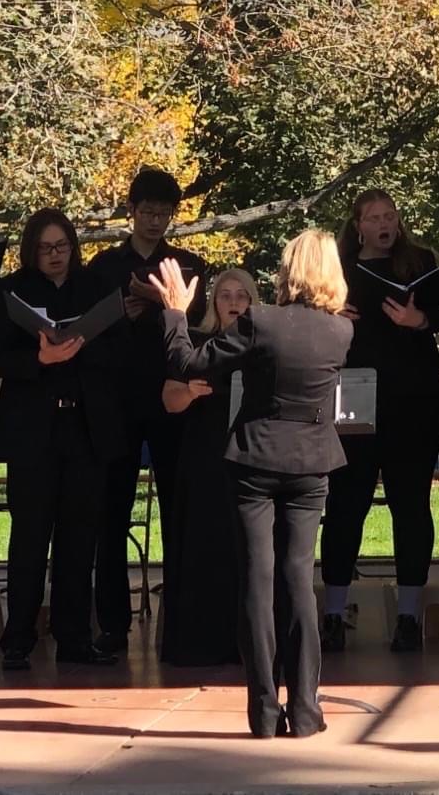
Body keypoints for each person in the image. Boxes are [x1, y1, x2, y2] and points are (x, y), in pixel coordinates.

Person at [143, 230, 355, 738]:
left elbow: (187, 363)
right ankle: (305, 710)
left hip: (256, 463)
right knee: (299, 580)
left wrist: (175, 311)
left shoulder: (262, 322)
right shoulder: (340, 332)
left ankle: (263, 711)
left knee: (257, 582)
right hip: (310, 463)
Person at [0, 209, 128, 670]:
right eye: (46, 248)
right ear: (32, 250)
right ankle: (18, 639)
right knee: (29, 536)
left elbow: (118, 346)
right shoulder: (11, 291)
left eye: (62, 246)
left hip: (85, 429)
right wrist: (42, 359)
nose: (54, 256)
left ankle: (74, 638)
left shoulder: (95, 287)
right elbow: (0, 359)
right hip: (33, 431)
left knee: (79, 538)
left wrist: (81, 346)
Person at [320, 188, 439, 654]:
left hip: (413, 401)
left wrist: (419, 319)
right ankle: (333, 612)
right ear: (358, 226)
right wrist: (331, 312)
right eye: (374, 217)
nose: (384, 224)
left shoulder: (420, 261)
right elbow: (310, 319)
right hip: (354, 396)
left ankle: (409, 616)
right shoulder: (336, 270)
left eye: (390, 215)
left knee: (410, 505)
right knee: (345, 505)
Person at [86, 167, 205, 657]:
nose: (156, 221)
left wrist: (162, 307)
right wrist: (122, 314)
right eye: (148, 211)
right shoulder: (103, 267)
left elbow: (199, 324)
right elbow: (86, 330)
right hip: (117, 398)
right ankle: (112, 620)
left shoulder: (187, 264)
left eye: (165, 213)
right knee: (111, 512)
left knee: (181, 505)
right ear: (131, 211)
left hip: (171, 395)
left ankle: (183, 610)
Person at [158, 267, 257, 668]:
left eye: (242, 296)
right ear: (214, 302)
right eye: (225, 295)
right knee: (202, 548)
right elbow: (169, 399)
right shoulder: (195, 344)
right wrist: (190, 392)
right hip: (203, 460)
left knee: (245, 552)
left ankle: (247, 642)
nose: (233, 303)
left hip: (250, 458)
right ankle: (199, 643)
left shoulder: (262, 344)